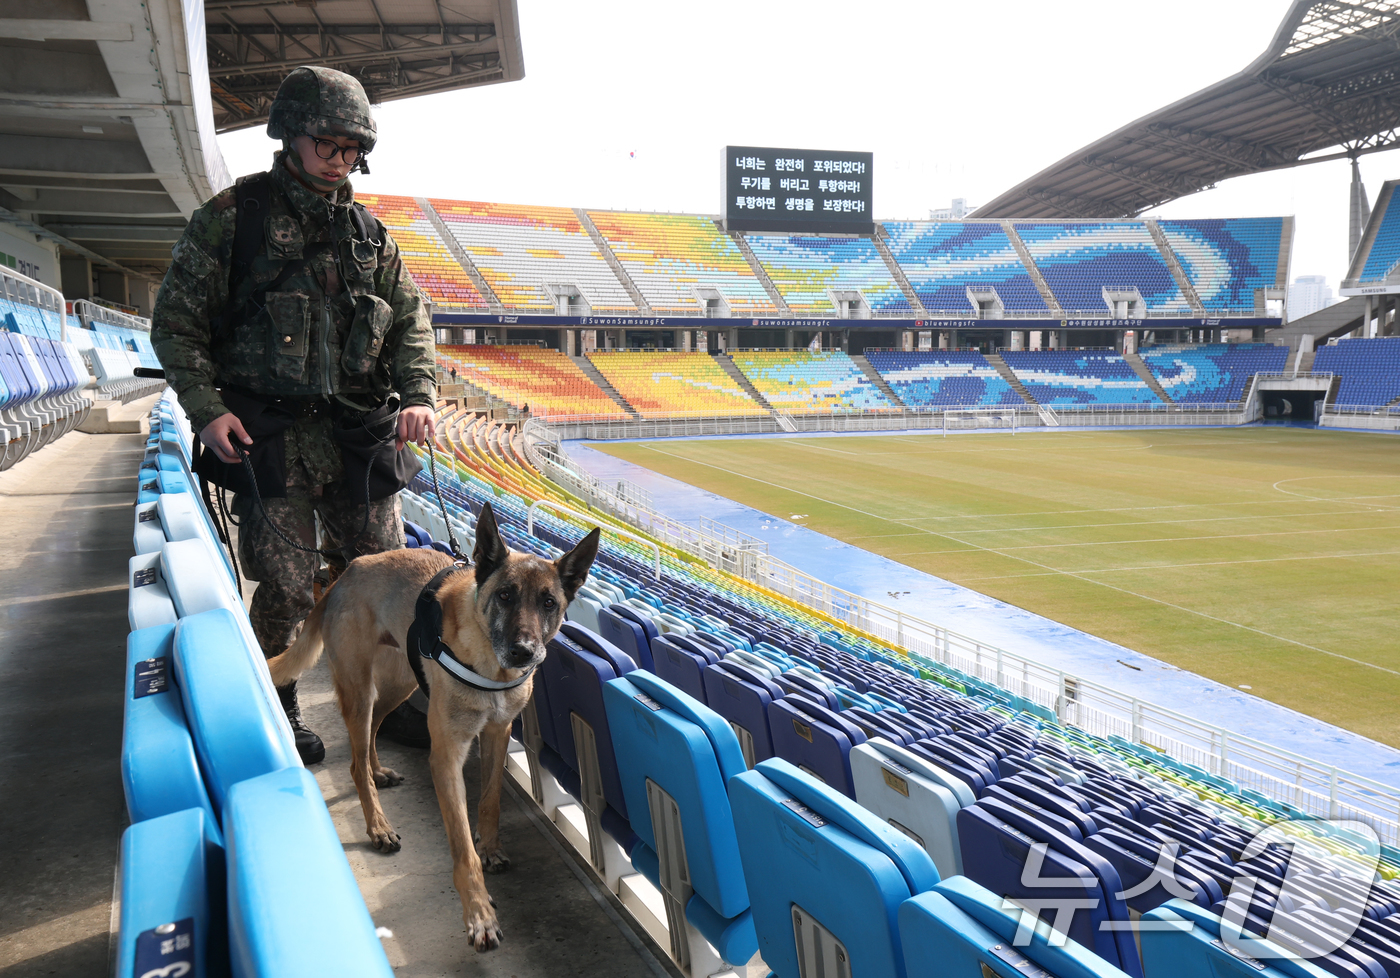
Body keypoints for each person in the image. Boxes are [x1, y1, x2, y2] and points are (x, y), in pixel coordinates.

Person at [150, 66, 436, 763]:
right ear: (290, 135)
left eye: (351, 149)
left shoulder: (371, 236)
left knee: (386, 577)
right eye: (327, 144)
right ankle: (281, 705)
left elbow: (410, 324)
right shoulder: (233, 217)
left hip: (356, 441)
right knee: (281, 588)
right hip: (268, 438)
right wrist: (207, 409)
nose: (340, 161)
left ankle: (384, 699)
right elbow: (176, 324)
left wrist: (420, 392)